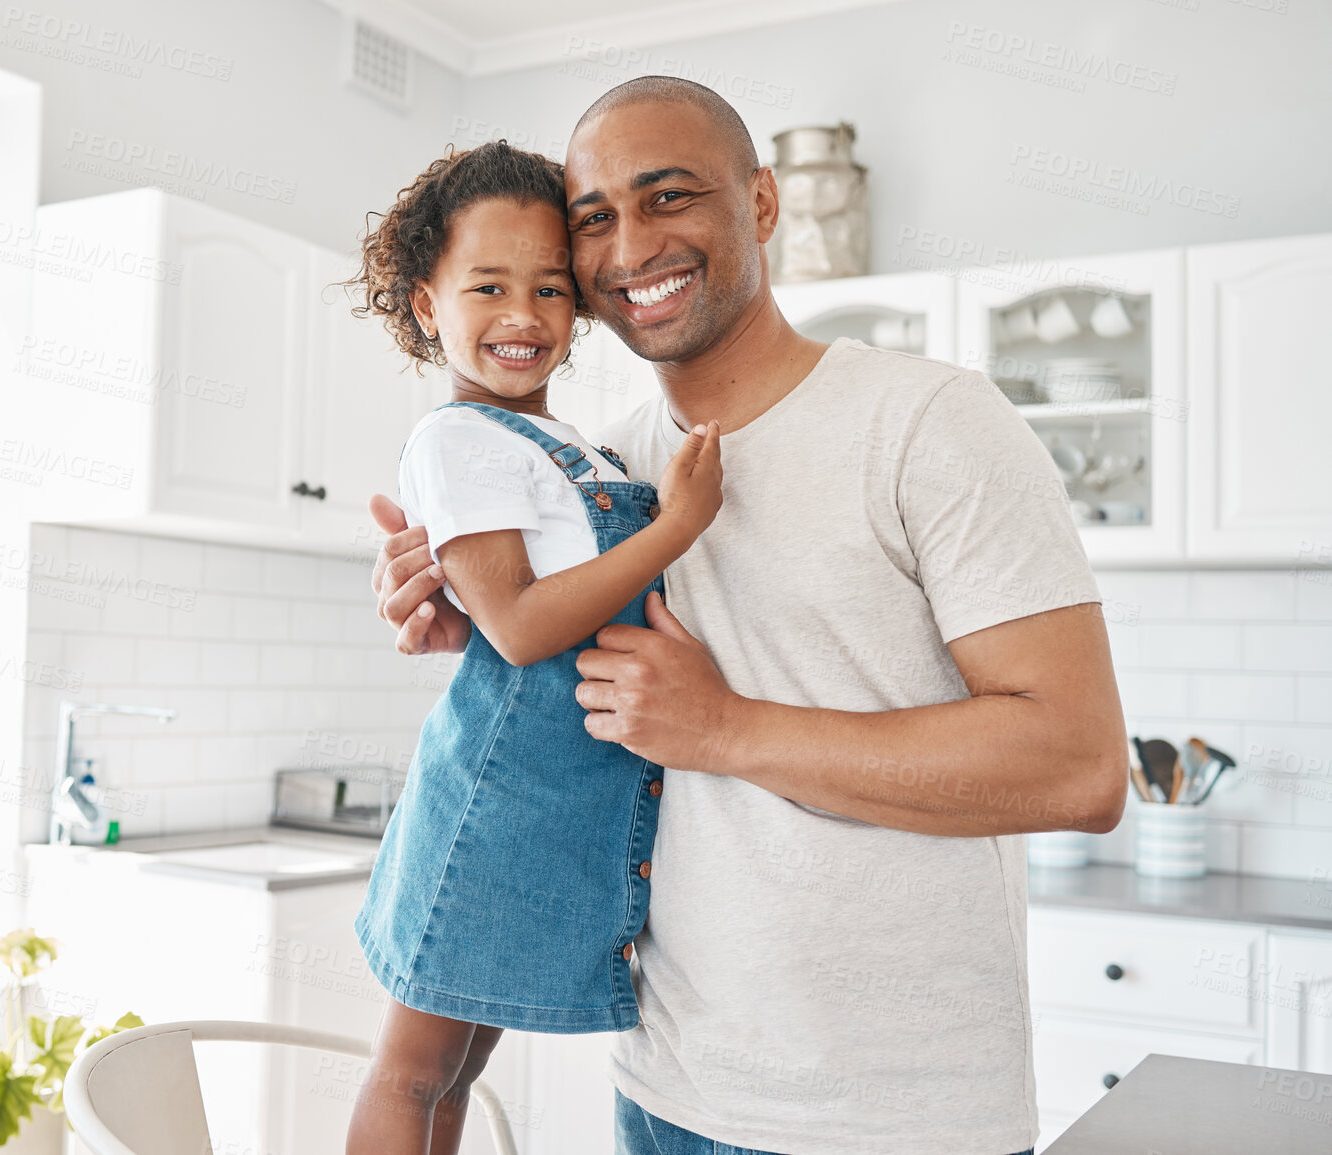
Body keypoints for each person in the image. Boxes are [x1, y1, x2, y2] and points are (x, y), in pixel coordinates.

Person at [369, 78, 1129, 1155]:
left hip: (895, 1121)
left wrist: (725, 727)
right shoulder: (602, 468)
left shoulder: (930, 423)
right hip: (665, 1093)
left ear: (762, 204)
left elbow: (1078, 766)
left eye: (669, 196)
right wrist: (459, 617)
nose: (632, 246)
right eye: (595, 218)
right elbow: (541, 640)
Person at [342, 140, 724, 1155]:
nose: (524, 315)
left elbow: (494, 610)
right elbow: (517, 627)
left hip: (545, 819)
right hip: (491, 810)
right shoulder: (458, 440)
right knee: (415, 1073)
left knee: (455, 1076)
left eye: (551, 288)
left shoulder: (563, 446)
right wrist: (672, 530)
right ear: (429, 306)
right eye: (489, 286)